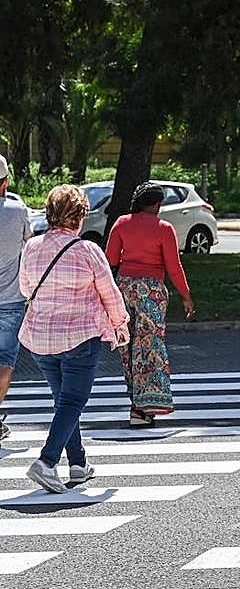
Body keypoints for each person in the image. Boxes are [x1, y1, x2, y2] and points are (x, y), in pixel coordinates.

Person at [19, 185, 129, 493]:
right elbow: (110, 293)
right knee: (73, 401)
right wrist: (120, 325)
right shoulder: (88, 250)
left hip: (41, 339)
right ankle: (46, 461)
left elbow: (27, 289)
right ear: (80, 216)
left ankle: (78, 463)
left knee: (64, 402)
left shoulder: (33, 247)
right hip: (80, 337)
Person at [105, 181, 196, 428]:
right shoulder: (164, 228)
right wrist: (186, 296)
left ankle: (135, 404)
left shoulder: (122, 223)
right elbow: (174, 267)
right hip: (152, 293)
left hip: (124, 289)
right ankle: (146, 407)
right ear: (156, 203)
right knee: (149, 348)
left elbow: (111, 259)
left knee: (128, 347)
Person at [0, 154, 32, 441]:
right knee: (5, 361)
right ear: (5, 182)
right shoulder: (17, 209)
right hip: (10, 300)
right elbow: (29, 240)